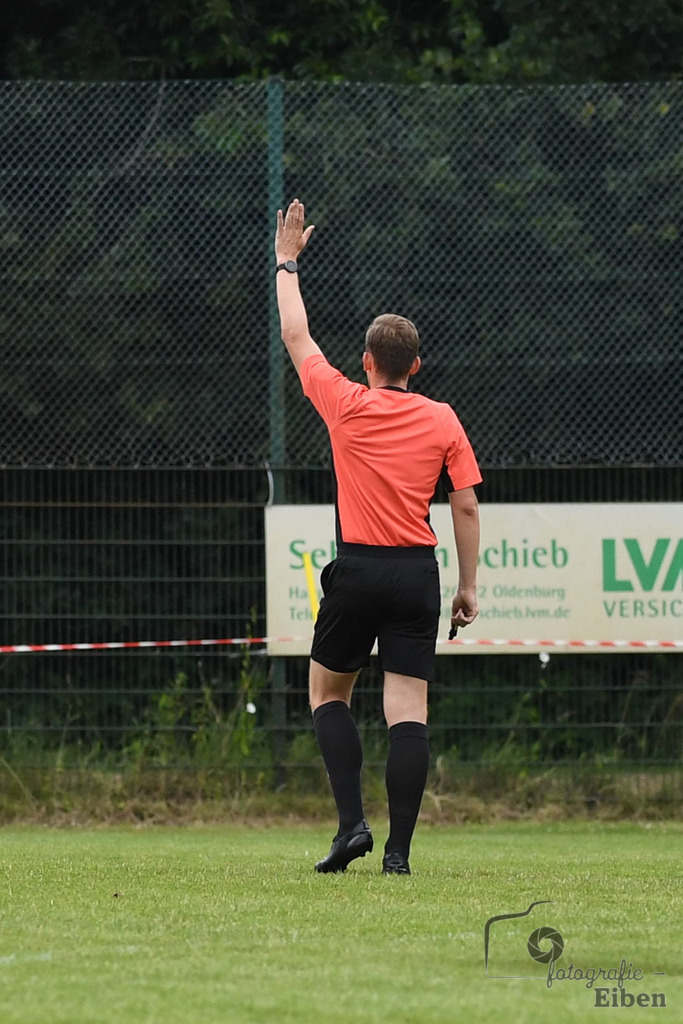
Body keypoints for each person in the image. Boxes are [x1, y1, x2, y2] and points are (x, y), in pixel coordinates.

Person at [275, 199, 481, 875]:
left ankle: (349, 827)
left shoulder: (343, 402)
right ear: (415, 366)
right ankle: (397, 853)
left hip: (358, 570)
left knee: (328, 694)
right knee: (407, 710)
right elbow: (466, 507)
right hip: (416, 574)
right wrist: (467, 588)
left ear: (366, 361)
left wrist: (286, 261)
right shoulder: (443, 418)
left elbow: (297, 336)